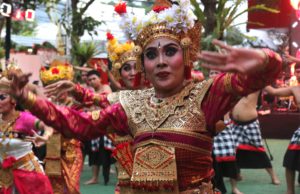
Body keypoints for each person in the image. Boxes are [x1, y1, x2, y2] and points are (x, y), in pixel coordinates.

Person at [8, 0, 282, 193]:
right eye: (151, 54)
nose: (160, 61)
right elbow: (80, 125)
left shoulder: (206, 94)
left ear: (186, 55)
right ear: (143, 65)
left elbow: (259, 76)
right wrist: (27, 98)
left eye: (170, 51)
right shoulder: (129, 104)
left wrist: (263, 58)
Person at [0, 69, 53, 194]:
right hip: (3, 176)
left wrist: (45, 136)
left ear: (13, 100)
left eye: (2, 97)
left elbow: (48, 125)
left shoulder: (24, 118)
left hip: (28, 175)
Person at [39, 60, 83, 194]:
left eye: (59, 87)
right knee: (54, 188)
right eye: (52, 87)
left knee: (71, 187)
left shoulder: (76, 106)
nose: (56, 91)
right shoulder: (47, 107)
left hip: (71, 152)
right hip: (52, 151)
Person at [264, 84, 300, 194]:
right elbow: (273, 91)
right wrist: (259, 75)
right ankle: (290, 191)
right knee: (290, 159)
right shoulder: (295, 89)